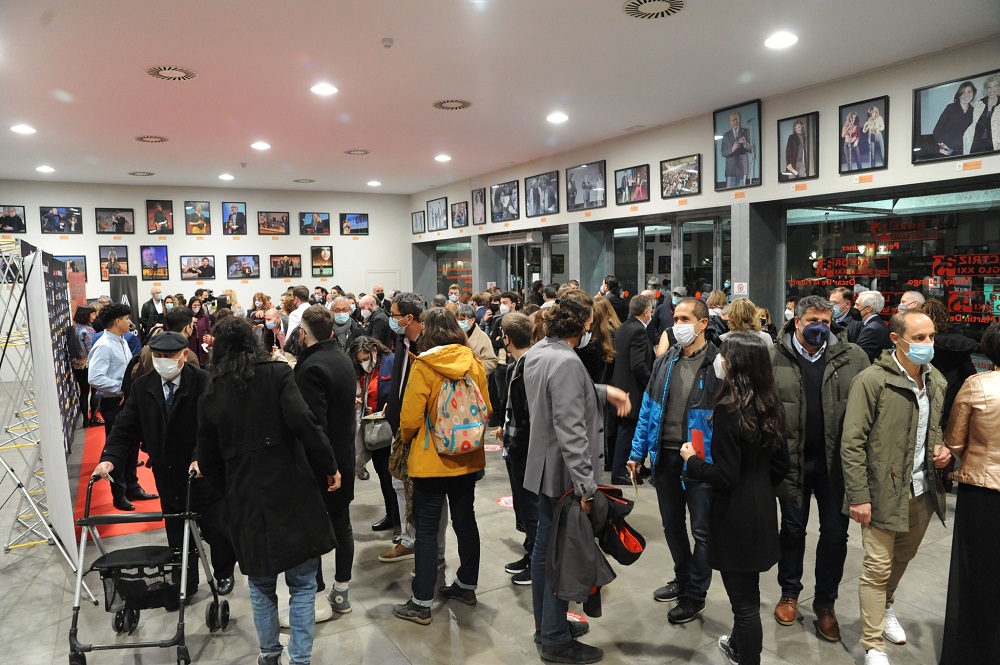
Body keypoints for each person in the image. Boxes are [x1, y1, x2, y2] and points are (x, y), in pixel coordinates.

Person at [197, 317, 338, 665]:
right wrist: (329, 465)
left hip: (245, 498)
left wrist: (225, 497)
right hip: (291, 488)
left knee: (260, 586)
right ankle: (300, 659)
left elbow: (208, 459)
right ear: (252, 341)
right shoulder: (276, 374)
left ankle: (269, 654)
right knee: (303, 583)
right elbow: (304, 423)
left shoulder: (212, 392)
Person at [523, 290, 630, 663]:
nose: (590, 330)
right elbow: (570, 428)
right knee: (561, 557)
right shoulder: (567, 361)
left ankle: (547, 626)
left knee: (543, 553)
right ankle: (554, 638)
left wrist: (602, 391)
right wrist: (587, 487)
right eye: (589, 324)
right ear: (581, 325)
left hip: (543, 470)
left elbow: (560, 395)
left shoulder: (540, 351)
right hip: (565, 476)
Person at [840, 309, 951, 665]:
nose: (927, 344)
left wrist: (943, 450)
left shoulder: (937, 382)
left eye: (931, 337)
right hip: (882, 492)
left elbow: (933, 431)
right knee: (876, 567)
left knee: (902, 559)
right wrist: (858, 495)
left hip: (922, 489)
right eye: (919, 338)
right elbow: (852, 442)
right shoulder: (872, 381)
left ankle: (886, 606)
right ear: (896, 340)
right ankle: (873, 644)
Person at [93, 332, 237, 599]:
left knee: (217, 528)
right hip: (167, 473)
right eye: (157, 356)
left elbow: (213, 427)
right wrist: (110, 458)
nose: (163, 361)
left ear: (183, 355)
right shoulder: (142, 386)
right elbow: (126, 427)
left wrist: (200, 456)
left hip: (203, 472)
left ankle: (224, 571)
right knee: (178, 532)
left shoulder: (205, 382)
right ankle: (186, 582)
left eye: (169, 356)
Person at [679, 332, 789, 665]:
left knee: (743, 605)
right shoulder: (772, 404)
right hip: (763, 510)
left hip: (733, 517)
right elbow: (781, 464)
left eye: (724, 355)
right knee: (749, 594)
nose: (719, 360)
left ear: (736, 363)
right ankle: (739, 648)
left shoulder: (730, 410)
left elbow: (725, 476)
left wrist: (691, 460)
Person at [771, 296, 869, 642]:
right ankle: (789, 592)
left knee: (834, 535)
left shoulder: (853, 357)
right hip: (792, 461)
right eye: (813, 320)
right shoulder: (774, 356)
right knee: (793, 530)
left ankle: (826, 604)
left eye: (826, 322)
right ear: (796, 321)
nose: (820, 327)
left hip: (836, 464)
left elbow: (867, 410)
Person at [391, 308, 492, 625]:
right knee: (466, 522)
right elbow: (486, 407)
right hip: (467, 457)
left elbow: (409, 419)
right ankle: (466, 585)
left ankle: (421, 602)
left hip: (431, 461)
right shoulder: (472, 363)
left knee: (427, 530)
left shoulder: (424, 367)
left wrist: (408, 440)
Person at [628, 296, 723, 624]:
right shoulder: (665, 361)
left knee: (702, 530)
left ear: (702, 324)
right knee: (672, 525)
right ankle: (682, 579)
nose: (677, 325)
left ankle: (696, 594)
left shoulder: (718, 364)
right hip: (665, 457)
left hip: (699, 461)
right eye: (676, 319)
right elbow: (647, 409)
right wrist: (637, 452)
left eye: (684, 319)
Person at [940, 321, 1000, 665]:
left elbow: (955, 441)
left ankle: (973, 651)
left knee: (976, 574)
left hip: (982, 492)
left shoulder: (977, 385)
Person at [293, 306, 357, 619]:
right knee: (342, 524)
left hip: (323, 461)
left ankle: (317, 598)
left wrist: (327, 466)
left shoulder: (311, 367)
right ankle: (341, 592)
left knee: (315, 529)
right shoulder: (343, 358)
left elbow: (312, 424)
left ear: (303, 334)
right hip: (343, 452)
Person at [88, 303, 157, 511]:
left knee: (133, 446)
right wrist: (121, 389)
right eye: (127, 318)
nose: (130, 322)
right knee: (119, 448)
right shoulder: (104, 345)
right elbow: (95, 377)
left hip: (126, 402)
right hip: (113, 403)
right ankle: (118, 494)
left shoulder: (122, 341)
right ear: (117, 322)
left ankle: (132, 486)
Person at [380, 291, 425, 563]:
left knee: (419, 490)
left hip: (419, 428)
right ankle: (409, 539)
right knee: (399, 484)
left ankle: (423, 545)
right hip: (399, 422)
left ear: (409, 317)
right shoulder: (401, 339)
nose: (391, 320)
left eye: (395, 315)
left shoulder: (428, 345)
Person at [494, 313, 536, 585]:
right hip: (514, 445)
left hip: (526, 450)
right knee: (523, 505)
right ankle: (529, 551)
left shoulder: (530, 366)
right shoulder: (515, 366)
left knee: (532, 509)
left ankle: (536, 562)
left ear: (507, 339)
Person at [348, 336, 398, 530]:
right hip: (372, 428)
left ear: (375, 350)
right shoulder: (361, 371)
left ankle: (401, 523)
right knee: (383, 476)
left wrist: (392, 406)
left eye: (366, 358)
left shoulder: (391, 362)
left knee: (394, 479)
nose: (364, 363)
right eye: (360, 360)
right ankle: (391, 515)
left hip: (390, 427)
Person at [609, 295, 653, 484]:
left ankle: (630, 468)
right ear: (645, 312)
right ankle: (620, 472)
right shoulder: (638, 331)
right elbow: (637, 364)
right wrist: (652, 382)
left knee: (624, 430)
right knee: (628, 431)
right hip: (632, 388)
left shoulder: (623, 327)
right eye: (650, 310)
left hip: (620, 384)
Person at [922, 298, 978, 425]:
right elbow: (970, 374)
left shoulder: (924, 346)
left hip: (930, 399)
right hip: (955, 400)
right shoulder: (961, 346)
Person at [69, 306, 101, 428]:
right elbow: (91, 350)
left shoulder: (73, 328)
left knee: (84, 392)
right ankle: (93, 418)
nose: (94, 317)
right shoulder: (88, 330)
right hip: (89, 364)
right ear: (86, 315)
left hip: (76, 366)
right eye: (92, 315)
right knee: (95, 391)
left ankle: (85, 421)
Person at [932, 80, 977, 156]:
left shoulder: (974, 111)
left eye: (969, 92)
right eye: (963, 92)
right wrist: (943, 146)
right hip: (947, 151)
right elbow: (937, 130)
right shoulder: (950, 108)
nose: (966, 95)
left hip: (965, 152)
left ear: (973, 93)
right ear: (959, 95)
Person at [963, 73, 1000, 154]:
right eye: (989, 87)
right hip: (976, 144)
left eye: (995, 86)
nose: (992, 90)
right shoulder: (979, 103)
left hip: (994, 145)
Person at [721, 111, 753, 187]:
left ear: (739, 120)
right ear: (730, 122)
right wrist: (732, 149)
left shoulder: (745, 131)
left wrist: (745, 143)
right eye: (733, 120)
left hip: (742, 169)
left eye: (737, 119)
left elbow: (750, 149)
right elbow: (723, 152)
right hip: (730, 170)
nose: (735, 122)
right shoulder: (726, 135)